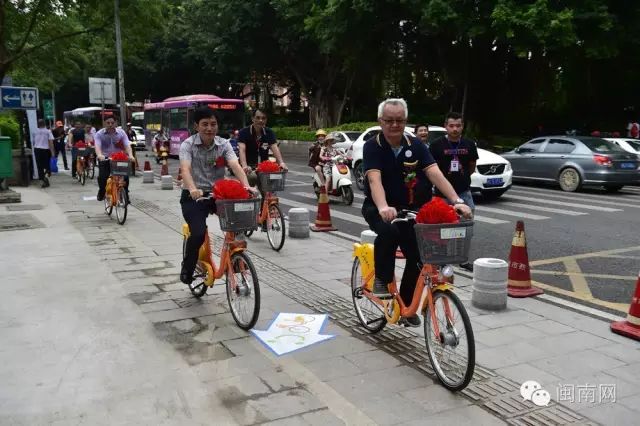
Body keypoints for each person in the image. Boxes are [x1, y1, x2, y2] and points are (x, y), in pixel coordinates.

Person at [362, 99, 472, 327]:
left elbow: (435, 173)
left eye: (400, 120)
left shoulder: (416, 144)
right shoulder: (373, 145)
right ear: (380, 121)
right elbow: (374, 179)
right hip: (379, 206)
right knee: (389, 233)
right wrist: (383, 207)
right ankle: (381, 280)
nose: (394, 125)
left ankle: (407, 304)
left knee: (420, 256)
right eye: (389, 120)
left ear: (405, 121)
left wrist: (457, 200)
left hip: (409, 208)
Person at [179, 107, 255, 285]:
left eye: (213, 124)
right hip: (194, 196)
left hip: (218, 194)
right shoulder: (187, 145)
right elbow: (185, 169)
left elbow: (235, 165)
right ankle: (187, 268)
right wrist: (192, 189)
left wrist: (246, 186)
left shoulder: (224, 144)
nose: (209, 128)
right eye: (204, 124)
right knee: (197, 234)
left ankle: (236, 259)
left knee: (237, 224)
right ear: (196, 126)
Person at [428, 111, 479, 272]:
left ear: (462, 127)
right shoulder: (436, 145)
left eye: (458, 125)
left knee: (466, 226)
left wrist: (462, 178)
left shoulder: (469, 144)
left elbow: (472, 166)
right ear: (446, 126)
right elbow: (431, 169)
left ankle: (463, 259)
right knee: (439, 228)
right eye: (451, 126)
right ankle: (441, 260)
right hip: (441, 195)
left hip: (464, 192)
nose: (455, 129)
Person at [237, 109, 288, 187]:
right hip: (249, 167)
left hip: (263, 167)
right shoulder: (243, 132)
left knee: (269, 189)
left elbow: (275, 148)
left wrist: (281, 163)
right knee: (252, 178)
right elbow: (242, 150)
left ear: (266, 120)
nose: (261, 120)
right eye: (258, 118)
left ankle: (265, 197)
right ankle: (250, 194)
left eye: (263, 118)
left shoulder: (269, 132)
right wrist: (244, 166)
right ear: (252, 118)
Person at [94, 117, 134, 201]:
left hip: (119, 159)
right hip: (105, 158)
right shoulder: (99, 134)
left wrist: (130, 155)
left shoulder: (121, 133)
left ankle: (125, 194)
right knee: (103, 177)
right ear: (104, 123)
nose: (110, 125)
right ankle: (101, 191)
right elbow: (97, 146)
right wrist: (100, 155)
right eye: (108, 123)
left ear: (116, 123)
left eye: (112, 123)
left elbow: (127, 145)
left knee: (125, 176)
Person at [32, 119, 55, 188]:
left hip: (37, 150)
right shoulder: (48, 132)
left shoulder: (35, 131)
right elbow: (51, 142)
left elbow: (33, 142)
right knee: (46, 165)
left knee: (39, 166)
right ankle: (46, 177)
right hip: (45, 150)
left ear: (38, 124)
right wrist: (52, 152)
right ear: (45, 124)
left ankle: (43, 180)